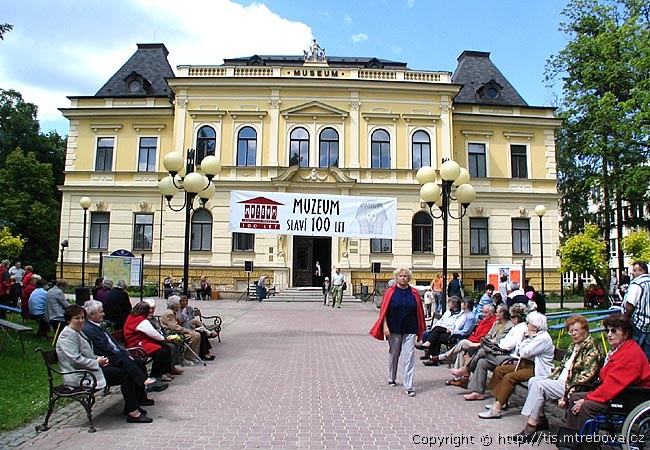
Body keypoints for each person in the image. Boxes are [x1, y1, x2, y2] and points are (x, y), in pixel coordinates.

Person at [564, 313, 650, 447]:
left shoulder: (630, 355)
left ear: (625, 334)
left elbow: (611, 386)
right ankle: (569, 443)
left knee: (587, 407)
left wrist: (587, 399)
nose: (609, 334)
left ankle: (585, 447)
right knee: (575, 398)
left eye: (614, 331)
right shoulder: (620, 350)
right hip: (619, 393)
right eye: (608, 330)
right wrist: (586, 397)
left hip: (629, 397)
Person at [56, 304, 153, 423]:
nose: (81, 321)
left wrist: (99, 359)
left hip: (89, 369)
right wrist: (96, 361)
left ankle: (132, 407)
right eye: (77, 318)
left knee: (127, 369)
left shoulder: (77, 332)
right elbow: (76, 359)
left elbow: (87, 354)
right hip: (80, 375)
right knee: (125, 374)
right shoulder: (67, 335)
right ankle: (133, 412)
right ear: (68, 320)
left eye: (82, 318)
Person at [515, 315, 603, 441]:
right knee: (533, 380)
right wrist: (551, 378)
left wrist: (567, 394)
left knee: (539, 386)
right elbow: (562, 366)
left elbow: (587, 376)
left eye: (576, 330)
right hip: (561, 380)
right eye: (571, 331)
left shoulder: (592, 347)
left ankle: (530, 426)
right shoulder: (573, 346)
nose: (573, 334)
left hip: (572, 386)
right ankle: (541, 418)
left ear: (585, 330)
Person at [478, 311, 554, 419]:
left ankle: (496, 409)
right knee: (500, 370)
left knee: (510, 377)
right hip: (525, 364)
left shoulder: (542, 338)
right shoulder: (534, 336)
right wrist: (524, 340)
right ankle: (500, 400)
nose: (527, 325)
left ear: (535, 327)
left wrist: (526, 340)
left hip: (536, 369)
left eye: (529, 324)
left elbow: (524, 353)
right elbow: (519, 351)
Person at [82, 300, 167, 394]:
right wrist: (124, 355)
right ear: (92, 314)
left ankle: (142, 395)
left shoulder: (97, 325)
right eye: (101, 312)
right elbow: (105, 348)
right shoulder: (90, 329)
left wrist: (125, 353)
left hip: (117, 354)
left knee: (138, 361)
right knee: (129, 366)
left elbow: (114, 344)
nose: (104, 314)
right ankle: (145, 383)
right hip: (106, 359)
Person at [451, 303, 529, 401]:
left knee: (483, 351)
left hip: (511, 358)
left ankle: (466, 369)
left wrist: (499, 344)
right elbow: (503, 341)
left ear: (517, 318)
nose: (511, 319)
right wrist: (499, 344)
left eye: (512, 317)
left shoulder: (521, 329)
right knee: (482, 362)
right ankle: (477, 392)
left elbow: (508, 345)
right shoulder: (514, 327)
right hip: (503, 353)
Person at [369, 267, 426, 397]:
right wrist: (385, 326)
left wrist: (420, 327)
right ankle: (392, 376)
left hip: (410, 328)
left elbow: (419, 311)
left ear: (409, 278)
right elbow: (383, 311)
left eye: (405, 276)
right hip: (394, 327)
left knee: (409, 356)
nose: (403, 278)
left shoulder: (414, 293)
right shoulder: (391, 292)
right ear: (396, 277)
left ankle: (408, 385)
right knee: (394, 353)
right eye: (400, 276)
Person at [124, 301, 182, 382]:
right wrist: (163, 339)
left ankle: (164, 372)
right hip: (136, 344)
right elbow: (153, 334)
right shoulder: (141, 320)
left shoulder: (133, 317)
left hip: (140, 340)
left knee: (165, 347)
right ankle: (155, 375)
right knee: (160, 351)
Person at [427, 304, 497, 368]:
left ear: (492, 313)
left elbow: (479, 336)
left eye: (485, 313)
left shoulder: (491, 322)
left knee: (462, 342)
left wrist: (453, 331)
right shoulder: (481, 320)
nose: (483, 314)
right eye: (483, 312)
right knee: (461, 351)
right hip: (470, 339)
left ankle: (443, 356)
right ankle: (458, 377)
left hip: (476, 342)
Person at [417, 297, 476, 364]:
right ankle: (433, 357)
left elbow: (465, 332)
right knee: (436, 333)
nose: (461, 304)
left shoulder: (470, 317)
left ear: (466, 305)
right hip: (451, 331)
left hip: (457, 336)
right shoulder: (463, 313)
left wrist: (452, 331)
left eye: (463, 303)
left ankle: (432, 354)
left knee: (436, 333)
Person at [160, 296, 211, 363]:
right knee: (195, 335)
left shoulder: (174, 312)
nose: (180, 305)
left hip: (177, 331)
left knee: (197, 334)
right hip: (172, 334)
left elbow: (183, 320)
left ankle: (192, 356)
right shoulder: (169, 313)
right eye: (178, 303)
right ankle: (187, 357)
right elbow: (175, 327)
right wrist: (188, 331)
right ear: (175, 305)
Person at [624, 261, 650, 360]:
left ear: (642, 271)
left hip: (638, 323)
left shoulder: (637, 283)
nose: (632, 273)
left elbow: (630, 304)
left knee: (635, 354)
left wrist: (626, 317)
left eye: (635, 270)